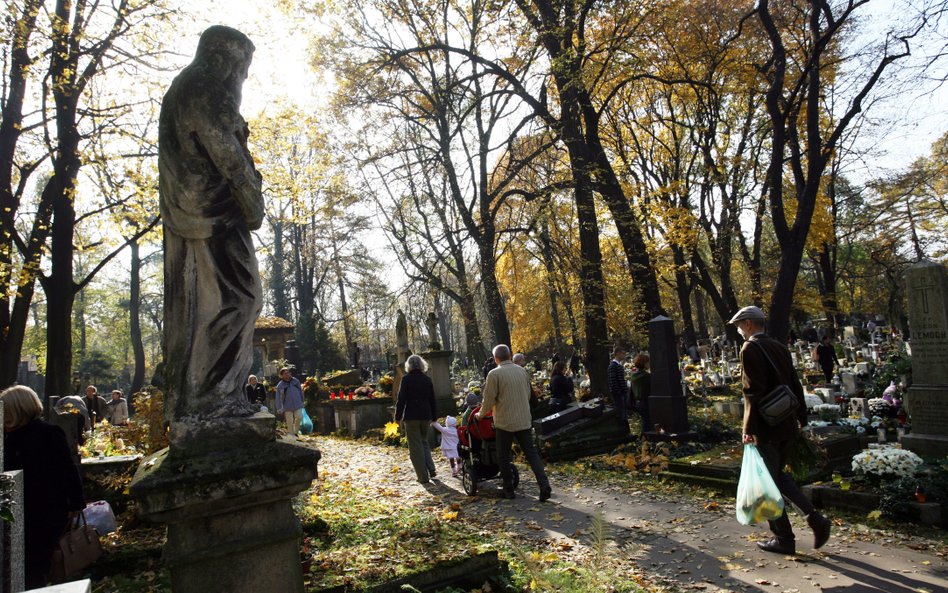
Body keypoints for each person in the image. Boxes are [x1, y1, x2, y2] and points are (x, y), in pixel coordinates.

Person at [159, 26, 263, 423]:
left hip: (196, 213)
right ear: (226, 59)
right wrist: (253, 205)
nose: (244, 78)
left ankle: (208, 395)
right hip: (213, 214)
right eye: (243, 67)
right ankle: (213, 397)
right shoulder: (204, 89)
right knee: (240, 298)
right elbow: (230, 158)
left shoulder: (185, 88)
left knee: (217, 303)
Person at [729, 306, 831, 555]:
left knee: (767, 484)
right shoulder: (778, 346)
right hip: (786, 422)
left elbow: (752, 392)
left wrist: (749, 428)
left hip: (766, 426)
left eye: (740, 325)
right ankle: (815, 520)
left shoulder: (750, 347)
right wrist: (801, 418)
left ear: (750, 324)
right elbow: (794, 383)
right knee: (779, 477)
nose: (739, 330)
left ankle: (785, 538)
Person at [2, 386, 86, 588]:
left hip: (45, 512)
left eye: (6, 410)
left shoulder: (48, 433)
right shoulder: (7, 438)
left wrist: (76, 504)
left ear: (18, 410)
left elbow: (66, 469)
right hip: (16, 512)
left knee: (35, 566)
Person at [477, 344, 551, 501]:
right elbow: (528, 393)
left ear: (496, 359)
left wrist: (480, 415)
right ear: (510, 356)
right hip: (523, 419)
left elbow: (488, 400)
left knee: (503, 456)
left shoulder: (494, 374)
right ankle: (544, 484)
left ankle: (508, 489)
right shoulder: (522, 371)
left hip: (504, 421)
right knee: (531, 454)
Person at [395, 354, 438, 483]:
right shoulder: (427, 379)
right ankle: (431, 468)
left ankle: (423, 477)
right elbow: (432, 400)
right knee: (424, 442)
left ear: (409, 366)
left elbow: (401, 399)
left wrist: (397, 417)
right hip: (425, 415)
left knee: (415, 447)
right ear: (421, 365)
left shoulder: (406, 380)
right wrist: (434, 417)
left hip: (412, 416)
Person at [607, 346, 630, 433]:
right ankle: (623, 432)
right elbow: (613, 382)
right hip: (619, 394)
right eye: (623, 353)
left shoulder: (618, 365)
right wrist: (621, 392)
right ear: (617, 353)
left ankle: (625, 431)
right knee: (621, 413)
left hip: (621, 393)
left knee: (623, 412)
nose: (624, 355)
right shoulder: (613, 366)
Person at [275, 367, 304, 437]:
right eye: (285, 373)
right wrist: (279, 407)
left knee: (299, 417)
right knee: (289, 421)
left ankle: (295, 432)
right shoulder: (280, 385)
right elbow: (278, 397)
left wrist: (302, 400)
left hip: (297, 403)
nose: (287, 374)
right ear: (282, 375)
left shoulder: (295, 381)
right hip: (287, 405)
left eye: (288, 372)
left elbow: (300, 391)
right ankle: (291, 435)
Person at [629, 352, 651, 435]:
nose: (649, 364)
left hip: (637, 402)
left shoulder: (633, 376)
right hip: (646, 402)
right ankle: (646, 440)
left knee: (644, 422)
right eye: (648, 362)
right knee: (647, 423)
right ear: (644, 363)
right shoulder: (646, 376)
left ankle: (644, 439)